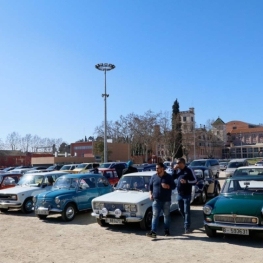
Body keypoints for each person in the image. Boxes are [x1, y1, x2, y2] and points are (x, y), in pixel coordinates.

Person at [146, 162, 176, 238]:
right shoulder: (153, 177)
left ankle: (166, 230)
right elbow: (150, 187)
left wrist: (167, 186)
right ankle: (153, 232)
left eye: (158, 168)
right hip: (156, 200)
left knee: (166, 216)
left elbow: (174, 186)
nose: (156, 169)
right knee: (155, 215)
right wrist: (150, 194)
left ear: (162, 168)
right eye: (156, 168)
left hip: (166, 200)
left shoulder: (168, 177)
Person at [173, 157, 196, 234]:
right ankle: (186, 220)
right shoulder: (178, 170)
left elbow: (195, 181)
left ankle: (187, 226)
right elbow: (173, 178)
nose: (176, 164)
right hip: (179, 194)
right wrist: (174, 170)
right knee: (180, 209)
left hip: (187, 194)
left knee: (187, 211)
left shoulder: (189, 170)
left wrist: (187, 182)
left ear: (182, 163)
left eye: (177, 163)